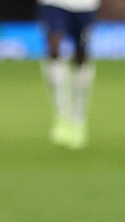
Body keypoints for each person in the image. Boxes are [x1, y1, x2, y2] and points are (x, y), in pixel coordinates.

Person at [38, 0, 100, 149]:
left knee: (81, 56)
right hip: (53, 3)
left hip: (85, 5)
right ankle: (61, 115)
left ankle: (78, 118)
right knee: (54, 45)